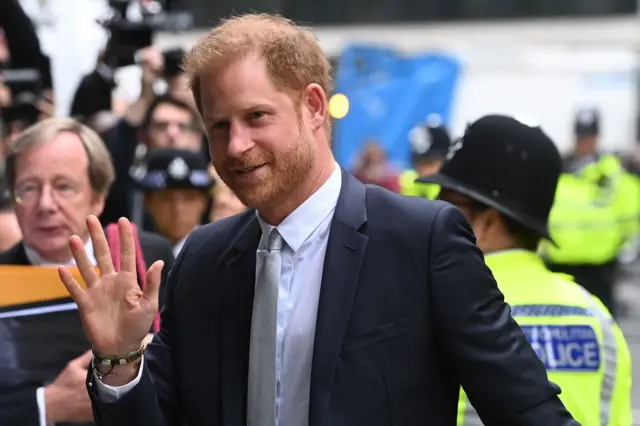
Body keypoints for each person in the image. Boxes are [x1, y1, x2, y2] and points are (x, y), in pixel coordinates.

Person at [59, 13, 578, 426]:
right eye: (219, 126)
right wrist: (120, 360)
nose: (236, 146)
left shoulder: (420, 240)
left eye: (256, 116)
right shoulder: (202, 258)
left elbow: (525, 407)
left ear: (312, 106)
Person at [417, 115, 632, 426]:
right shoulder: (597, 318)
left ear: (488, 223)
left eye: (448, 206)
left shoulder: (435, 306)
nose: (432, 214)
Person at [0, 117, 174, 426]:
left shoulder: (149, 259)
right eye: (28, 188)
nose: (45, 204)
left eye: (63, 187)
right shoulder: (4, 279)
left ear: (98, 197)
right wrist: (45, 406)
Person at [541, 107, 640, 317]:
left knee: (601, 324)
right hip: (560, 261)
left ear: (597, 136)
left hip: (600, 264)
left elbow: (631, 207)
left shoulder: (612, 171)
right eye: (581, 136)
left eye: (589, 136)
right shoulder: (558, 168)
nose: (585, 142)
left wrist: (621, 245)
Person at [132, 147, 214, 257]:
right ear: (148, 202)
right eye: (166, 199)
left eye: (188, 199)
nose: (177, 208)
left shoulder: (220, 255)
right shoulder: (133, 256)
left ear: (204, 202)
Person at [398, 114, 449, 199]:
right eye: (420, 164)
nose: (424, 171)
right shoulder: (408, 184)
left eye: (430, 163)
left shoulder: (453, 193)